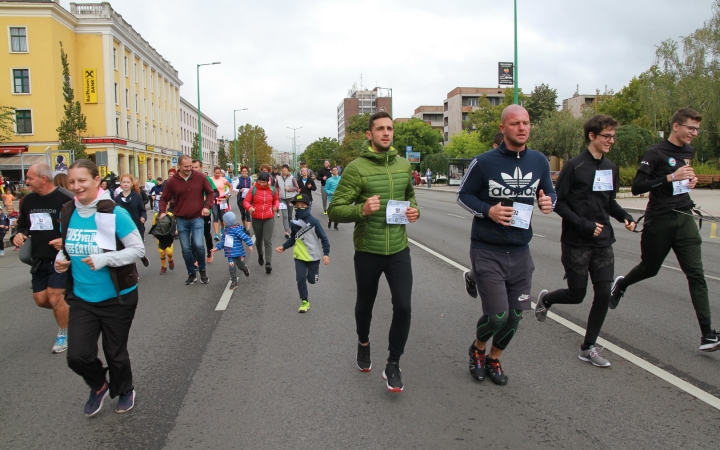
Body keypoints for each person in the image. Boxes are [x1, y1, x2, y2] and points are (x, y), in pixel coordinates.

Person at [457, 104, 556, 386]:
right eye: (515, 124)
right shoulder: (484, 161)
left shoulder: (539, 161)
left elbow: (549, 191)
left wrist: (549, 201)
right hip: (487, 249)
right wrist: (488, 211)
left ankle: (494, 357)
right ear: (503, 129)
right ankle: (477, 350)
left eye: (526, 123)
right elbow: (463, 195)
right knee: (498, 315)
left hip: (521, 250)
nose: (522, 128)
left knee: (514, 317)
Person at [609, 108, 720, 351]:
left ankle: (708, 334)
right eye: (691, 128)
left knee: (696, 275)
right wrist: (670, 177)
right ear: (676, 126)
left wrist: (690, 181)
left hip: (684, 218)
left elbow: (684, 179)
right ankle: (622, 284)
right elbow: (638, 187)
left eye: (697, 129)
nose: (695, 133)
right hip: (659, 221)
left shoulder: (689, 151)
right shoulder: (655, 152)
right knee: (650, 268)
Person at [327, 110, 419, 393]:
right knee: (365, 304)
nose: (386, 133)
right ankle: (364, 342)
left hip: (399, 249)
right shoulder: (356, 168)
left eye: (390, 128)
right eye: (380, 129)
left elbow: (410, 197)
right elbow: (334, 209)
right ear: (370, 134)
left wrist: (415, 210)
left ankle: (393, 363)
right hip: (368, 249)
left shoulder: (404, 166)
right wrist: (361, 210)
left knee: (403, 305)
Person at [534, 115, 636, 367]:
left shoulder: (611, 167)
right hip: (576, 241)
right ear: (592, 136)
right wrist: (583, 224)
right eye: (606, 136)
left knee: (603, 294)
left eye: (613, 136)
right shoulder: (574, 166)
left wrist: (625, 216)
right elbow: (558, 202)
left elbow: (609, 201)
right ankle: (547, 300)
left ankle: (587, 348)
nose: (611, 140)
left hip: (603, 242)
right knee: (576, 294)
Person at [55, 159, 144, 416]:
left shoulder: (113, 212)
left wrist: (105, 259)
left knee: (115, 352)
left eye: (82, 180)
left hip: (117, 296)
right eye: (72, 181)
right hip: (83, 296)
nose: (76, 186)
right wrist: (61, 260)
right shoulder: (68, 211)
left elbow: (137, 249)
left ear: (97, 181)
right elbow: (68, 247)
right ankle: (99, 385)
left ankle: (125, 390)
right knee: (77, 356)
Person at [12, 163, 73, 353]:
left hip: (60, 258)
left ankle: (64, 334)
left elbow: (80, 225)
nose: (26, 181)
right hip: (38, 257)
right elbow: (23, 224)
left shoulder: (66, 199)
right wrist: (19, 233)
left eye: (30, 178)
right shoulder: (28, 201)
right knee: (41, 299)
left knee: (55, 298)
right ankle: (73, 312)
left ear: (43, 179)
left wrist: (64, 240)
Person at [159, 155, 214, 285]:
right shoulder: (172, 181)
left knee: (199, 245)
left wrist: (207, 207)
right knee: (185, 248)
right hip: (181, 218)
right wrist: (162, 212)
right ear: (179, 166)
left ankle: (202, 270)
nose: (189, 168)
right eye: (186, 167)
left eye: (190, 166)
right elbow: (164, 198)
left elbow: (211, 193)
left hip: (197, 217)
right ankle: (191, 273)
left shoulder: (200, 177)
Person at [276, 193, 330, 313]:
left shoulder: (314, 221)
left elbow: (324, 238)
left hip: (313, 257)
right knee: (300, 279)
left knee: (312, 280)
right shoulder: (294, 223)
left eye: (302, 205)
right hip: (299, 256)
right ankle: (304, 301)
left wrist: (326, 253)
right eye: (297, 206)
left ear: (308, 206)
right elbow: (293, 238)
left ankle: (310, 276)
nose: (299, 208)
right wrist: (283, 247)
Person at [244, 171, 279, 274]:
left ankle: (268, 263)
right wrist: (249, 207)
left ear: (268, 181)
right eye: (260, 181)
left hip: (269, 217)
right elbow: (246, 201)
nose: (261, 184)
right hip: (256, 218)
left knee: (267, 240)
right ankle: (260, 254)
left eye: (264, 182)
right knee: (259, 240)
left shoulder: (272, 190)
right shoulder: (253, 189)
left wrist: (275, 206)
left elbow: (276, 200)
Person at [211, 211, 253, 290]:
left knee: (241, 266)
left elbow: (245, 237)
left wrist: (250, 245)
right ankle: (234, 281)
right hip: (230, 254)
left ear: (227, 222)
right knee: (232, 268)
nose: (223, 222)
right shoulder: (225, 232)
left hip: (239, 253)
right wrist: (217, 248)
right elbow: (223, 242)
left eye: (224, 221)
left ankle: (245, 269)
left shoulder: (237, 230)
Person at [115, 174, 150, 267]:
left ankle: (142, 256)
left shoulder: (137, 196)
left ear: (131, 184)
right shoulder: (117, 199)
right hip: (124, 229)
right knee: (128, 252)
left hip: (137, 227)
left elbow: (143, 210)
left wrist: (143, 217)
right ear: (120, 184)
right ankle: (134, 272)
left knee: (138, 249)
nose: (126, 184)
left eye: (128, 182)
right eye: (124, 182)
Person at [192, 160, 216, 263]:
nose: (193, 169)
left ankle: (209, 252)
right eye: (192, 167)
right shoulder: (188, 180)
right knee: (194, 236)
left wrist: (206, 199)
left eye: (196, 167)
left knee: (207, 234)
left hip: (205, 211)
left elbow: (215, 193)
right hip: (193, 212)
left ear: (201, 168)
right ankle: (195, 259)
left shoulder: (206, 179)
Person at [276, 164, 300, 239]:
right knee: (285, 215)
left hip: (290, 199)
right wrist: (276, 193)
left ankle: (289, 228)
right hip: (282, 199)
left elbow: (297, 188)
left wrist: (289, 189)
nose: (284, 170)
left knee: (290, 215)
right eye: (283, 168)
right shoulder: (278, 178)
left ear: (288, 170)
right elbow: (275, 186)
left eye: (285, 168)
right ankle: (287, 231)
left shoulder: (292, 178)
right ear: (281, 170)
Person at [150, 209, 175, 274]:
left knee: (169, 252)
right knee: (162, 252)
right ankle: (163, 266)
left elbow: (174, 224)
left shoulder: (170, 215)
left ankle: (170, 259)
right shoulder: (157, 215)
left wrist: (175, 231)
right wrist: (154, 233)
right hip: (160, 236)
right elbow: (154, 224)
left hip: (168, 236)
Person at [211, 166, 232, 240]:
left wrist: (229, 194)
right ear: (213, 172)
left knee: (222, 218)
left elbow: (230, 186)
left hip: (222, 200)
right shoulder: (210, 179)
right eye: (216, 173)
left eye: (218, 173)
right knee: (215, 216)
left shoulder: (223, 179)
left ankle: (222, 228)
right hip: (213, 200)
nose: (217, 174)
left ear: (220, 173)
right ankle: (216, 234)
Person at [233, 166, 253, 233]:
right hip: (240, 199)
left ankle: (248, 229)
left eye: (245, 171)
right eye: (243, 171)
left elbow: (252, 188)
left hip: (248, 199)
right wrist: (239, 190)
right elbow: (233, 188)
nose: (244, 172)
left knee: (248, 214)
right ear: (241, 172)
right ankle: (244, 226)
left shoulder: (250, 179)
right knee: (243, 214)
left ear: (247, 172)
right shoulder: (238, 179)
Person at [324, 166, 341, 230]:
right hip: (332, 198)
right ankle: (330, 221)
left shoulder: (341, 179)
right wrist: (332, 192)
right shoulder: (329, 180)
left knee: (338, 212)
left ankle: (336, 225)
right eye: (333, 170)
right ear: (331, 171)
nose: (335, 171)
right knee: (332, 211)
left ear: (338, 171)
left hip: (340, 198)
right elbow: (326, 189)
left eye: (336, 170)